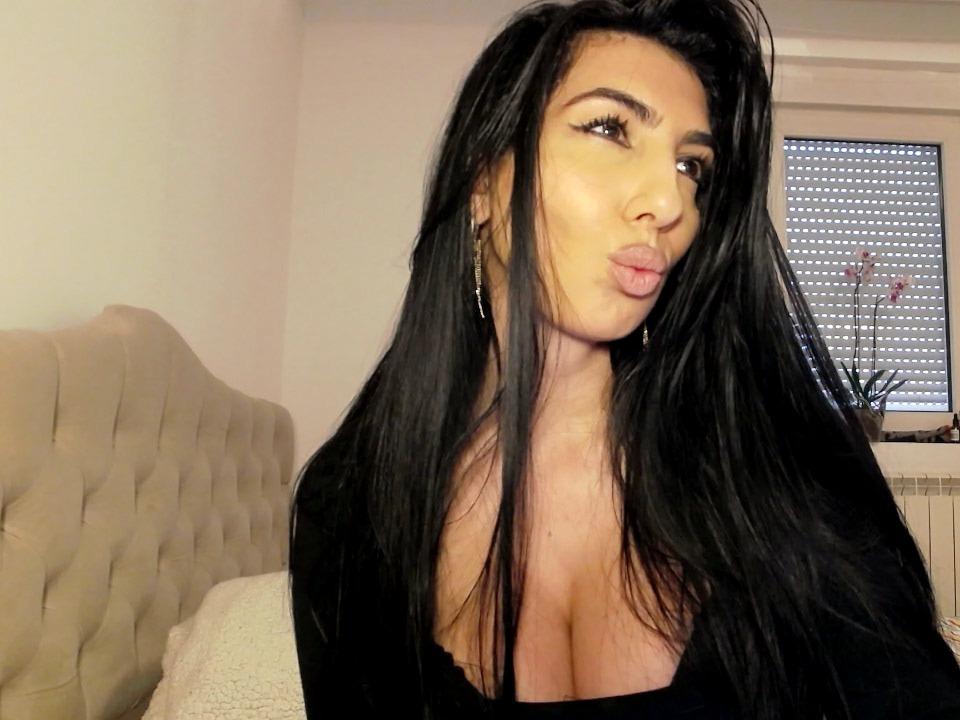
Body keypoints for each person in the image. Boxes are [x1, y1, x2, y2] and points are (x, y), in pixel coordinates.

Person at [290, 1, 960, 718]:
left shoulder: (776, 470)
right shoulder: (350, 505)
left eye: (691, 165)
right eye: (609, 128)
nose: (669, 201)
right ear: (483, 183)